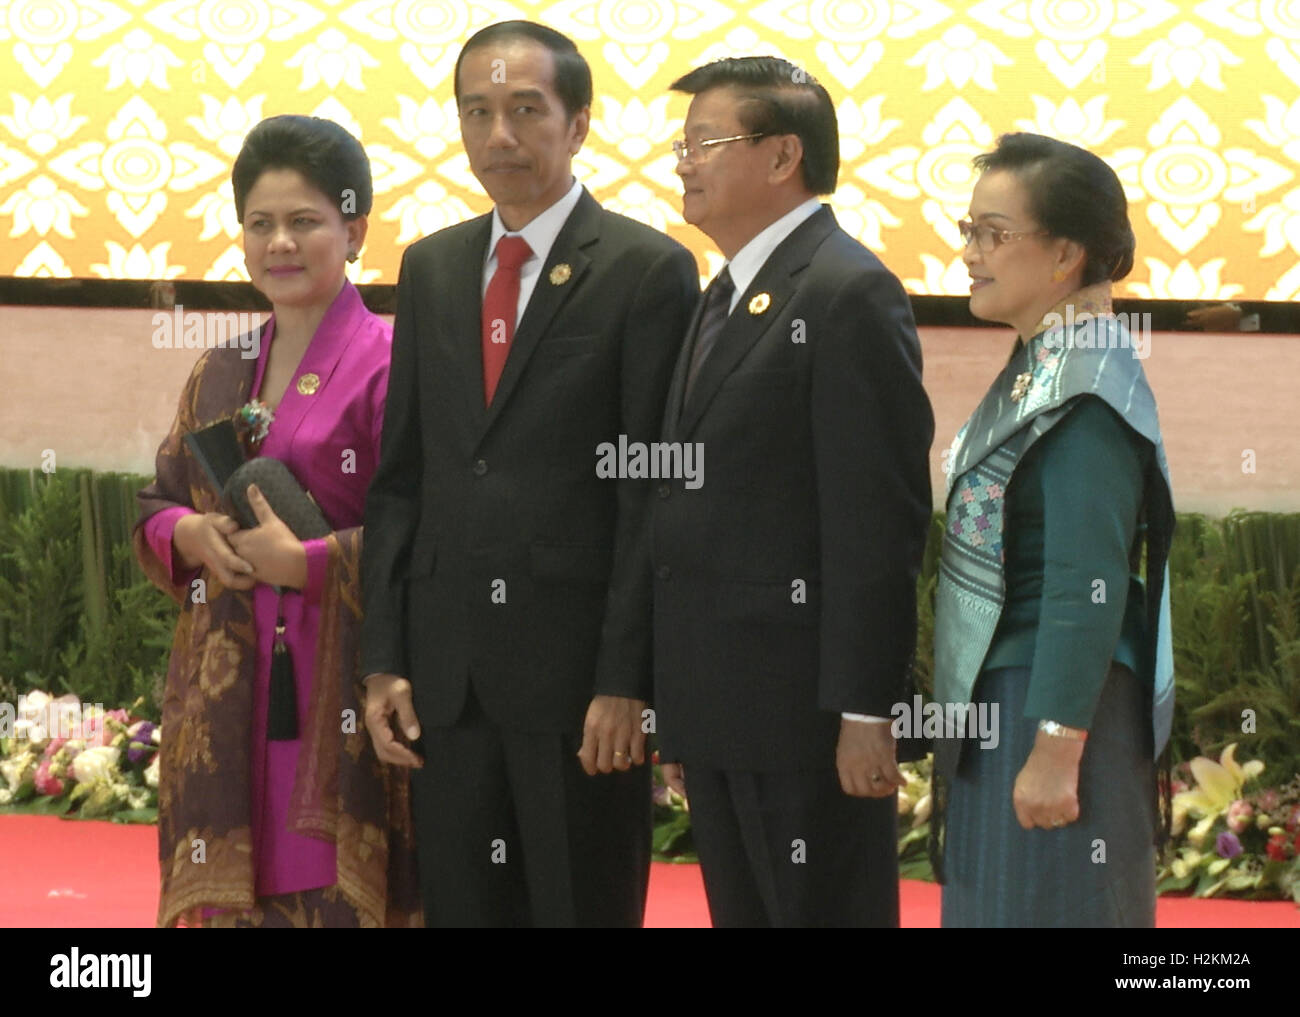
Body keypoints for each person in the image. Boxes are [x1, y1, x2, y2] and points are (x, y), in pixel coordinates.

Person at [359, 21, 698, 927]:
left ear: (578, 123)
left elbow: (652, 491)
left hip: (577, 686)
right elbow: (401, 480)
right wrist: (385, 657)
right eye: (478, 112)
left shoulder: (646, 269)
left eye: (524, 110)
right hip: (447, 678)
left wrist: (628, 679)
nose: (498, 135)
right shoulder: (430, 267)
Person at [650, 56, 935, 927]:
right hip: (724, 705)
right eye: (683, 143)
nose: (683, 162)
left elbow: (877, 521)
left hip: (806, 719)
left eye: (705, 142)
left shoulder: (848, 290)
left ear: (782, 157)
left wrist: (864, 708)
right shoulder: (723, 293)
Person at [134, 115, 420, 928]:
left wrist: (316, 562)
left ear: (354, 228)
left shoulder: (393, 364)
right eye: (260, 224)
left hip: (337, 689)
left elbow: (430, 531)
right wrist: (190, 536)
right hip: (221, 693)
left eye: (305, 221)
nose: (279, 243)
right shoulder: (220, 366)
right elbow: (158, 502)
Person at [933, 132, 1176, 927]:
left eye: (994, 234)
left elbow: (1086, 580)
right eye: (968, 230)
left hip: (1051, 704)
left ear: (1067, 252)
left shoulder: (1086, 385)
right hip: (1010, 697)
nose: (971, 252)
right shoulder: (1049, 361)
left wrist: (1056, 745)